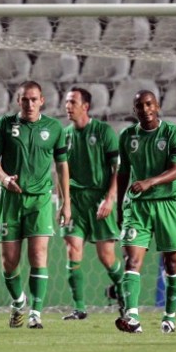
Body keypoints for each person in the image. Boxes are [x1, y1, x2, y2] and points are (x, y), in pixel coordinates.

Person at [0, 80, 71, 329]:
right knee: (9, 262)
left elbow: (62, 166)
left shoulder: (54, 128)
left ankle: (36, 312)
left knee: (38, 255)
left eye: (34, 99)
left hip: (41, 199)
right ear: (18, 100)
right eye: (25, 99)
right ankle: (18, 301)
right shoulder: (5, 124)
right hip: (10, 199)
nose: (30, 103)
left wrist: (66, 202)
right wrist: (4, 178)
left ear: (42, 101)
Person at [114, 90, 176, 334]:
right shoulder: (127, 136)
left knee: (172, 261)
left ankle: (169, 317)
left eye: (149, 104)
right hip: (137, 206)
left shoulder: (173, 132)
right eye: (139, 106)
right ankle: (132, 317)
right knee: (132, 259)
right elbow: (123, 173)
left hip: (167, 203)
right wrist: (118, 206)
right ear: (134, 110)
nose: (145, 109)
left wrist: (149, 182)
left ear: (157, 105)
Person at [60, 87, 123, 320]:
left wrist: (110, 198)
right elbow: (61, 172)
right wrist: (63, 203)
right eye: (67, 102)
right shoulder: (64, 135)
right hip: (75, 200)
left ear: (85, 106)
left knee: (106, 256)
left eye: (73, 102)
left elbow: (118, 169)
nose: (68, 106)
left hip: (99, 199)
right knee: (72, 249)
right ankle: (79, 308)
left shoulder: (104, 132)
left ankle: (124, 294)